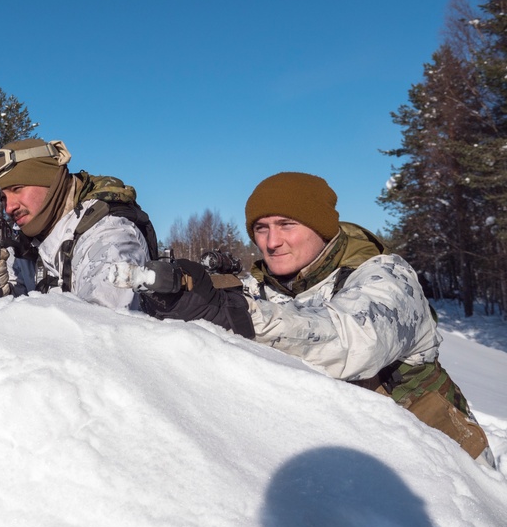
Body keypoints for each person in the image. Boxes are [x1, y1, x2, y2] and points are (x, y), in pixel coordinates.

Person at [109, 171, 492, 463]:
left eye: (287, 225)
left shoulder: (385, 275)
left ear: (320, 227)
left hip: (446, 463)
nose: (272, 242)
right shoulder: (266, 286)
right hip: (352, 461)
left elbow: (353, 343)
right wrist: (175, 298)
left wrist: (232, 315)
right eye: (261, 228)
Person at [0, 138, 156, 312]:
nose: (9, 208)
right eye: (3, 198)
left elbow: (101, 330)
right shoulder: (24, 244)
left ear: (51, 180)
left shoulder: (110, 234)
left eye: (17, 189)